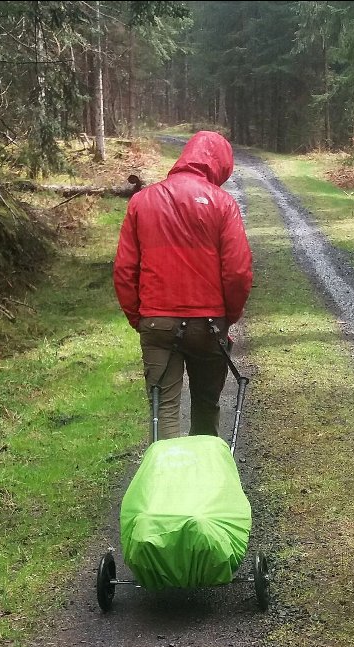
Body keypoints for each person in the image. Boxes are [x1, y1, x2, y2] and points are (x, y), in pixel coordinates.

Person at [113, 131, 253, 440]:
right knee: (206, 406)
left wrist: (141, 318)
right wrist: (227, 315)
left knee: (163, 412)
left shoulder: (141, 201)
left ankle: (166, 482)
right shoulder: (222, 203)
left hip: (157, 324)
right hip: (210, 327)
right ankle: (204, 481)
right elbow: (238, 271)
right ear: (219, 165)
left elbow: (124, 270)